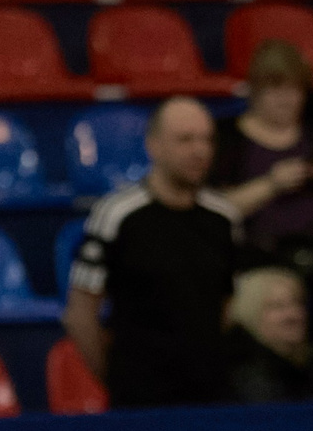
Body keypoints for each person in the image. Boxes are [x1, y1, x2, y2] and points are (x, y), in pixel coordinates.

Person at [66, 97, 242, 410]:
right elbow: (80, 314)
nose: (200, 151)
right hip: (139, 397)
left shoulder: (224, 218)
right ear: (153, 146)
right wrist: (115, 378)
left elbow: (226, 308)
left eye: (207, 140)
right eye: (185, 140)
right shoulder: (116, 214)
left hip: (211, 395)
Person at [209, 39, 313, 347]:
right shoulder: (227, 137)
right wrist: (271, 184)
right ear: (255, 91)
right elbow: (214, 209)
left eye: (294, 90)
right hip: (261, 259)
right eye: (275, 89)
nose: (285, 99)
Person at [226, 267, 313, 402]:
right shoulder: (246, 377)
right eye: (277, 306)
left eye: (298, 303)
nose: (293, 314)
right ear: (250, 313)